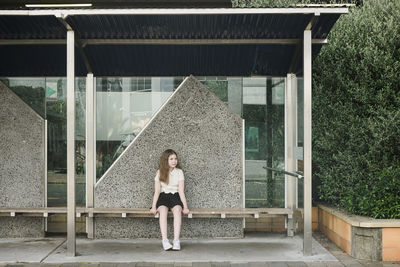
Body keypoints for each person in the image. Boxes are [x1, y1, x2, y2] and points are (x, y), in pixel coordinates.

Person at [150, 149, 190, 251]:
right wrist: (154, 207)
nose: (174, 161)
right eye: (171, 159)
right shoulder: (159, 172)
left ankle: (176, 240)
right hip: (163, 196)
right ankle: (165, 240)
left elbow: (181, 191)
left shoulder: (179, 172)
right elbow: (157, 191)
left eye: (175, 159)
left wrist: (185, 207)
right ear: (165, 160)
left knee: (177, 210)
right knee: (163, 211)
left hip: (175, 196)